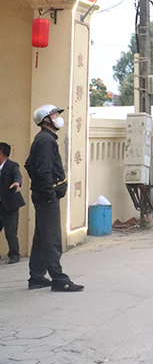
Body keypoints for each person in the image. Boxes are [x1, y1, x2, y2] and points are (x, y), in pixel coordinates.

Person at [24, 105, 83, 292]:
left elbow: (28, 165)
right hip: (47, 197)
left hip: (43, 195)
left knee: (42, 237)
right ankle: (59, 279)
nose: (58, 117)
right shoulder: (46, 141)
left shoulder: (45, 139)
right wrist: (49, 193)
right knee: (52, 239)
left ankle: (36, 277)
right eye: (55, 114)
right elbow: (42, 171)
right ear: (46, 119)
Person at [0, 142, 26, 264]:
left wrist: (17, 183)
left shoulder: (12, 166)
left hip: (10, 205)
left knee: (10, 231)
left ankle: (14, 255)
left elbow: (17, 175)